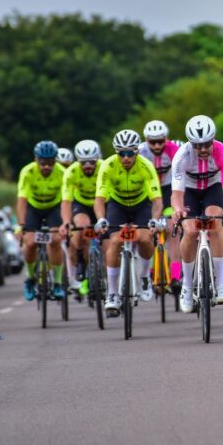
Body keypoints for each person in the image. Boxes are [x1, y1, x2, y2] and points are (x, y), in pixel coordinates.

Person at [171, 115, 223, 312]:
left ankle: (220, 284)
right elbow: (176, 194)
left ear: (213, 140)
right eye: (197, 145)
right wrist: (178, 210)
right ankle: (187, 286)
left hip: (212, 188)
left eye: (206, 145)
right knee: (190, 231)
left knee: (215, 224)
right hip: (189, 192)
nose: (201, 150)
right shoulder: (182, 156)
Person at [94, 130, 163, 316]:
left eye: (129, 153)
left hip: (141, 205)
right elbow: (99, 199)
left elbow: (157, 201)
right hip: (118, 205)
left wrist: (155, 220)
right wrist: (101, 219)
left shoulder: (146, 166)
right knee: (114, 242)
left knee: (144, 238)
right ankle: (113, 294)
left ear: (137, 152)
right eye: (121, 153)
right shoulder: (107, 166)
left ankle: (144, 277)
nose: (125, 158)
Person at [15, 141, 66, 301]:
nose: (46, 167)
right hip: (33, 208)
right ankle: (30, 278)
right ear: (36, 160)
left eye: (51, 162)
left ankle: (57, 282)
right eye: (43, 162)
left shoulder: (62, 172)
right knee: (30, 243)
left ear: (55, 161)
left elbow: (66, 200)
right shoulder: (27, 172)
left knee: (56, 240)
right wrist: (21, 225)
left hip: (53, 208)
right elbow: (22, 200)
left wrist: (66, 223)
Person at [138, 120, 182, 289]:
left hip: (168, 190)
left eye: (160, 141)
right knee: (148, 231)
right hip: (149, 193)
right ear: (146, 140)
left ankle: (176, 275)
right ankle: (148, 272)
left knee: (172, 230)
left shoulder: (174, 150)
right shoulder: (140, 152)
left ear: (167, 138)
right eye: (152, 142)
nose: (156, 146)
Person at [60, 140, 102, 299]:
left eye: (92, 161)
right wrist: (66, 222)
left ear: (98, 158)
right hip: (81, 204)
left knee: (109, 240)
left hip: (103, 203)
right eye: (84, 162)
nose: (88, 165)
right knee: (81, 228)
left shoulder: (105, 168)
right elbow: (66, 201)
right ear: (78, 161)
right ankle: (81, 263)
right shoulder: (71, 172)